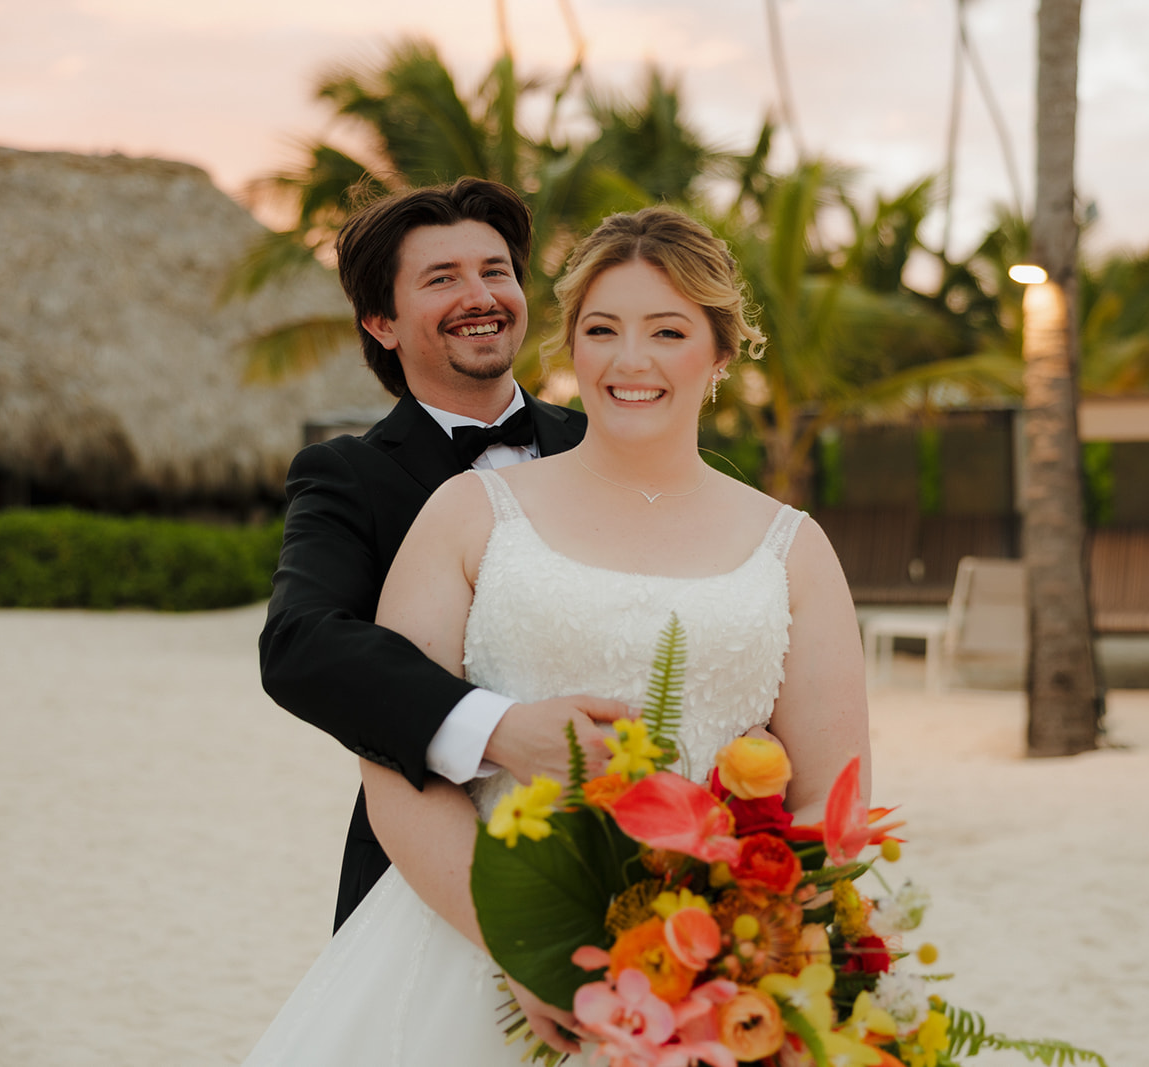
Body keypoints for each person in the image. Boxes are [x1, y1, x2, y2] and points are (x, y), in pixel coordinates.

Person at [242, 206, 871, 1065]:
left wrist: (749, 949)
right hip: (470, 925)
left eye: (668, 328)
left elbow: (833, 796)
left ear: (720, 350)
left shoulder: (777, 539)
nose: (632, 359)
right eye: (604, 329)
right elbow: (313, 655)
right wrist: (522, 938)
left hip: (717, 963)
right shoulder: (434, 503)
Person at [257, 178, 633, 933]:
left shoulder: (614, 441)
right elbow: (300, 643)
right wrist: (497, 731)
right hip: (425, 872)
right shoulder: (347, 475)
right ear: (381, 323)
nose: (481, 295)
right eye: (442, 278)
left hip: (637, 849)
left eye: (496, 271)